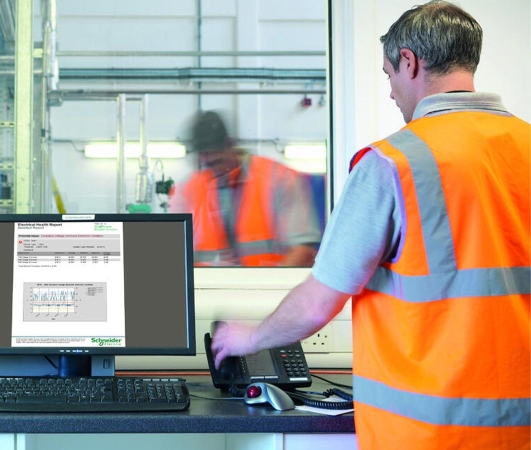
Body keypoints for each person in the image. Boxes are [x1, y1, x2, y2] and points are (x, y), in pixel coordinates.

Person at [210, 1, 530, 448]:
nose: (392, 92)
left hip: (430, 432)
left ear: (409, 61)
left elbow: (321, 300)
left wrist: (252, 337)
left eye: (388, 75)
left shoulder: (393, 163)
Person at [170, 110, 322, 267]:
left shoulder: (279, 179)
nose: (213, 170)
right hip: (209, 289)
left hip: (269, 288)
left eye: (217, 161)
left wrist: (271, 288)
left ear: (230, 145)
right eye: (205, 163)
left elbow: (303, 251)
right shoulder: (188, 190)